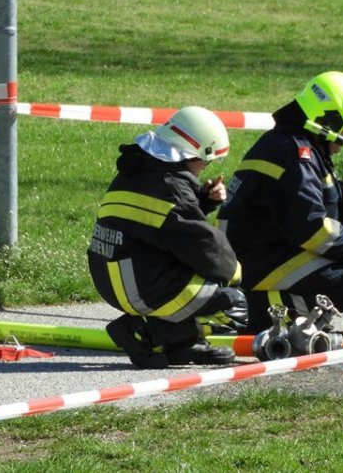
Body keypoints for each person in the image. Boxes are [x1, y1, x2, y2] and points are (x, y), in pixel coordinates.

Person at [88, 106, 245, 369]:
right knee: (231, 302)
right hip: (138, 287)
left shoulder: (138, 172)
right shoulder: (172, 189)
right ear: (192, 153)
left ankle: (183, 345)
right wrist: (235, 275)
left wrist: (202, 201)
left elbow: (159, 227)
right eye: (206, 160)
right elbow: (205, 246)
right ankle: (140, 333)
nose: (205, 167)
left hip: (115, 276)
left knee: (192, 273)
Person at [217, 71, 343, 332]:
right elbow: (309, 225)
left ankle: (286, 309)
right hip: (256, 257)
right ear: (328, 120)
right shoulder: (295, 152)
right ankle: (251, 312)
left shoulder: (292, 143)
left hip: (267, 247)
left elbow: (306, 196)